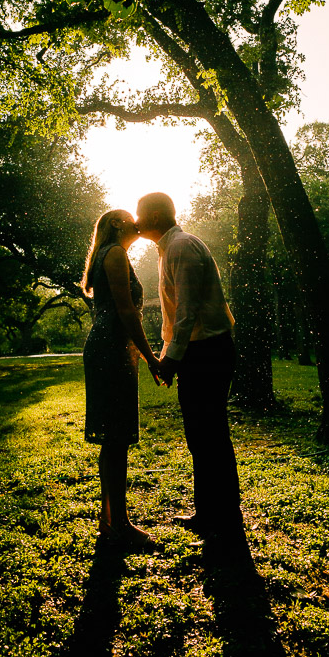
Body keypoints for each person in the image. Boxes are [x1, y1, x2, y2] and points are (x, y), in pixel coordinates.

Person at [135, 192, 243, 539]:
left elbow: (187, 311)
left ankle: (223, 513)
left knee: (210, 434)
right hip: (198, 352)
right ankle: (210, 511)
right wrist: (170, 356)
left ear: (153, 216)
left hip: (208, 351)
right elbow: (174, 316)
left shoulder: (181, 247)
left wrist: (170, 360)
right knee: (201, 435)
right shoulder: (170, 249)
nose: (136, 222)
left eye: (140, 214)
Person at [81, 209, 161, 549]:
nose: (137, 223)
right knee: (116, 438)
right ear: (116, 223)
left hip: (111, 346)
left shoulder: (107, 254)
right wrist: (150, 356)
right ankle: (120, 524)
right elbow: (127, 311)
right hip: (113, 347)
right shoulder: (113, 253)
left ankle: (110, 520)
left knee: (113, 439)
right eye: (131, 218)